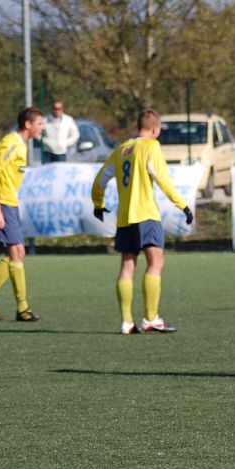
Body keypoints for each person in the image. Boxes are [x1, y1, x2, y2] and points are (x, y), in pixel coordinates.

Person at [91, 108, 194, 335]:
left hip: (124, 218)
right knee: (156, 263)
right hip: (146, 215)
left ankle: (127, 322)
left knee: (128, 266)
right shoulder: (151, 147)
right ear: (155, 129)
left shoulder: (121, 149)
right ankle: (151, 318)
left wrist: (98, 204)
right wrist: (183, 205)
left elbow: (100, 180)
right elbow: (163, 180)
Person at [0, 107, 46, 322]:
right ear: (28, 124)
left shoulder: (19, 144)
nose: (42, 128)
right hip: (1, 203)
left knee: (16, 253)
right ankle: (23, 308)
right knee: (17, 252)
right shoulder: (11, 143)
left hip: (8, 202)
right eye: (40, 124)